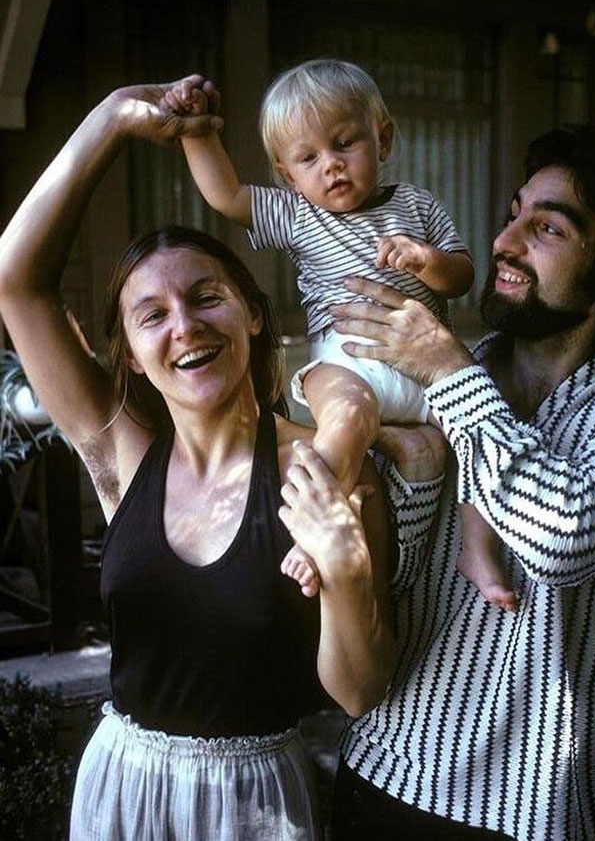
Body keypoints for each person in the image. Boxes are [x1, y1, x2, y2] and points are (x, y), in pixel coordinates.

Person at [0, 80, 398, 840]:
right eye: (153, 314)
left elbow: (360, 689)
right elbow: (15, 280)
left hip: (255, 808)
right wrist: (113, 118)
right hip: (121, 790)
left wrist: (344, 572)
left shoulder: (324, 467)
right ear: (135, 357)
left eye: (206, 296)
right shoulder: (122, 452)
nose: (184, 325)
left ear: (252, 312)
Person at [294, 123, 595, 840]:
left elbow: (564, 536)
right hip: (385, 775)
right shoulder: (455, 369)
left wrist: (452, 377)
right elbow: (400, 578)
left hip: (532, 809)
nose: (504, 242)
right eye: (513, 213)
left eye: (546, 227)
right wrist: (408, 475)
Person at [163, 59, 517, 612]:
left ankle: (477, 548)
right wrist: (198, 131)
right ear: (288, 175)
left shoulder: (418, 206)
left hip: (428, 369)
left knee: (478, 437)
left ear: (383, 139)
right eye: (309, 158)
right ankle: (313, 528)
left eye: (344, 142)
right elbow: (226, 195)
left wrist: (426, 262)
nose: (331, 165)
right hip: (347, 361)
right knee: (346, 420)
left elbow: (463, 274)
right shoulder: (300, 215)